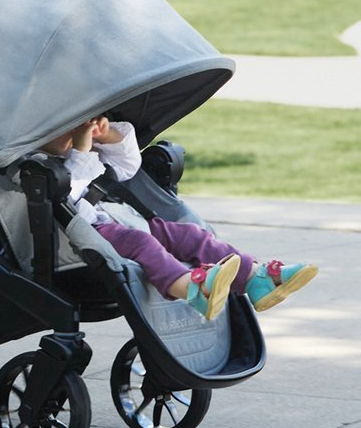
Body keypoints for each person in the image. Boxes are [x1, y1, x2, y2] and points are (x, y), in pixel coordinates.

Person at [42, 117, 317, 320]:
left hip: (122, 220)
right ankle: (189, 289)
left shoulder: (86, 154)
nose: (77, 131)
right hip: (84, 234)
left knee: (190, 234)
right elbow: (66, 193)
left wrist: (108, 134)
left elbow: (127, 165)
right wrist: (81, 151)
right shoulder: (36, 167)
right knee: (142, 243)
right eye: (66, 128)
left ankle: (255, 278)